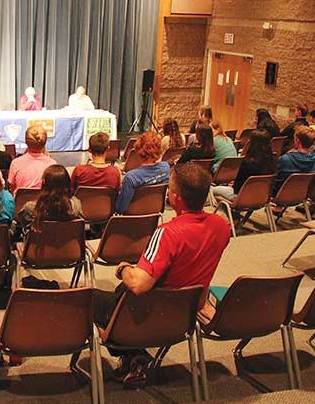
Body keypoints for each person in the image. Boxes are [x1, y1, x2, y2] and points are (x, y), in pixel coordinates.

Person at [94, 163, 230, 386]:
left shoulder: (168, 233)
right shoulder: (222, 226)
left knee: (90, 299)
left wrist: (123, 269)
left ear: (175, 197)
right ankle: (134, 357)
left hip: (147, 313)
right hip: (183, 315)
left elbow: (138, 284)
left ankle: (130, 354)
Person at [18, 165, 83, 239]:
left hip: (39, 249)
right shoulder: (76, 205)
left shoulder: (30, 208)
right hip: (67, 249)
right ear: (67, 183)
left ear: (44, 183)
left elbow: (23, 223)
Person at [212, 129, 276, 201]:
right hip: (262, 196)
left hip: (241, 197)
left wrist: (234, 184)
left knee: (212, 189)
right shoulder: (272, 161)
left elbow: (236, 189)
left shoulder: (247, 162)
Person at [115, 132, 171, 213]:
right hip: (154, 214)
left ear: (139, 150)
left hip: (131, 217)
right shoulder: (166, 168)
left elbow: (121, 208)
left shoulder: (131, 177)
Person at [8, 125, 56, 194]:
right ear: (45, 142)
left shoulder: (15, 163)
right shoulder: (52, 164)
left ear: (26, 142)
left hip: (20, 203)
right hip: (45, 203)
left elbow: (12, 188)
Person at [274, 125, 315, 192]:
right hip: (303, 193)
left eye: (294, 138)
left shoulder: (285, 159)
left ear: (297, 140)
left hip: (283, 193)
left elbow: (277, 179)